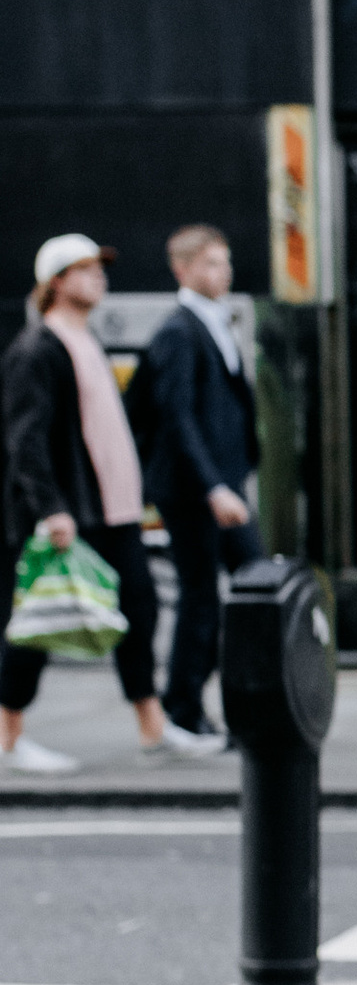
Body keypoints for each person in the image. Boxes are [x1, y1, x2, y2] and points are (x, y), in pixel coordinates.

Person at [1, 233, 177, 776]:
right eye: (85, 269)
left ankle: (152, 725)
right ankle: (8, 736)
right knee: (37, 621)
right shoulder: (38, 348)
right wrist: (51, 509)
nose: (99, 277)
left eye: (100, 268)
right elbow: (24, 439)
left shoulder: (85, 340)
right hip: (71, 512)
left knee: (139, 612)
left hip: (113, 509)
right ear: (56, 282)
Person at [141, 225, 261, 749]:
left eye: (225, 261)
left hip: (224, 485)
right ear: (183, 269)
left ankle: (243, 702)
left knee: (256, 584)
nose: (224, 272)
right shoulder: (178, 331)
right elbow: (177, 418)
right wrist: (213, 486)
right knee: (200, 597)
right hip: (195, 492)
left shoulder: (213, 322)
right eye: (211, 263)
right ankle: (184, 711)